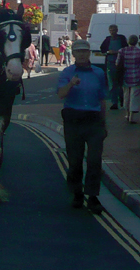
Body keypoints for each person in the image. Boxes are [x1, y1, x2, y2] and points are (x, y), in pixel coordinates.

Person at [57, 39, 107, 215]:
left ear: (89, 53)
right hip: (74, 121)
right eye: (78, 52)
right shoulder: (67, 72)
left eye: (85, 51)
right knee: (75, 160)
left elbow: (102, 99)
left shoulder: (99, 73)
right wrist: (70, 84)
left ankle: (92, 196)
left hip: (93, 120)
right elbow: (61, 95)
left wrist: (104, 123)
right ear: (74, 55)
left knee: (94, 160)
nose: (82, 55)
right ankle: (77, 193)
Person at [100, 24, 128, 110]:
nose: (112, 32)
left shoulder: (122, 38)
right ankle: (114, 103)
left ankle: (122, 100)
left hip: (120, 65)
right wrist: (108, 52)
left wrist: (117, 52)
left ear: (117, 30)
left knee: (120, 84)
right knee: (112, 84)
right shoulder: (107, 39)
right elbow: (102, 49)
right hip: (110, 63)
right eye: (111, 30)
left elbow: (126, 48)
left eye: (114, 30)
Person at [116, 35, 140, 123]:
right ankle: (131, 117)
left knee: (126, 95)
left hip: (125, 76)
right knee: (134, 97)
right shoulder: (138, 52)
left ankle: (126, 113)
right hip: (137, 77)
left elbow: (117, 63)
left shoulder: (122, 51)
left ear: (128, 41)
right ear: (136, 42)